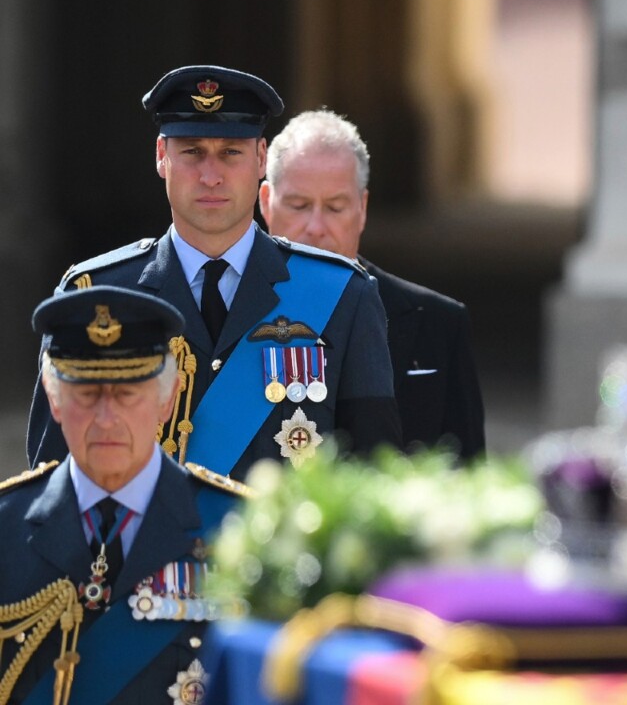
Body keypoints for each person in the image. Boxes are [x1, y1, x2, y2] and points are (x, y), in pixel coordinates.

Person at [26, 65, 401, 479]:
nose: (210, 175)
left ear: (260, 158)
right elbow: (54, 482)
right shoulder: (96, 294)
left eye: (230, 153)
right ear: (161, 157)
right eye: (192, 152)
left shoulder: (342, 294)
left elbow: (372, 475)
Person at [0, 286, 251, 703]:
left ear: (167, 399)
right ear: (54, 399)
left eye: (127, 394)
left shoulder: (238, 528)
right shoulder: (6, 526)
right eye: (87, 394)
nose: (106, 418)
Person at [259, 110, 485, 459]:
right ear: (265, 204)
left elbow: (468, 483)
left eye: (335, 207)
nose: (316, 227)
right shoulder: (224, 306)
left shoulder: (438, 323)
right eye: (299, 205)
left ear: (362, 208)